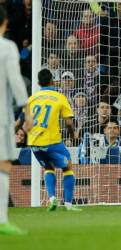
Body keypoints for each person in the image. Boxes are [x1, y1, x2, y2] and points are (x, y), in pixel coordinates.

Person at [27, 69, 81, 212]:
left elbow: (24, 121)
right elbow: (69, 123)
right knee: (67, 167)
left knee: (48, 168)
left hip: (33, 142)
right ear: (52, 81)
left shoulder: (32, 98)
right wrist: (72, 135)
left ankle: (51, 199)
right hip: (51, 141)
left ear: (38, 83)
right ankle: (68, 205)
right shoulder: (59, 97)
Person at [0, 6, 32, 235]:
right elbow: (16, 81)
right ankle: (1, 220)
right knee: (2, 165)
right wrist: (27, 110)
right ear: (5, 23)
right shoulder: (7, 47)